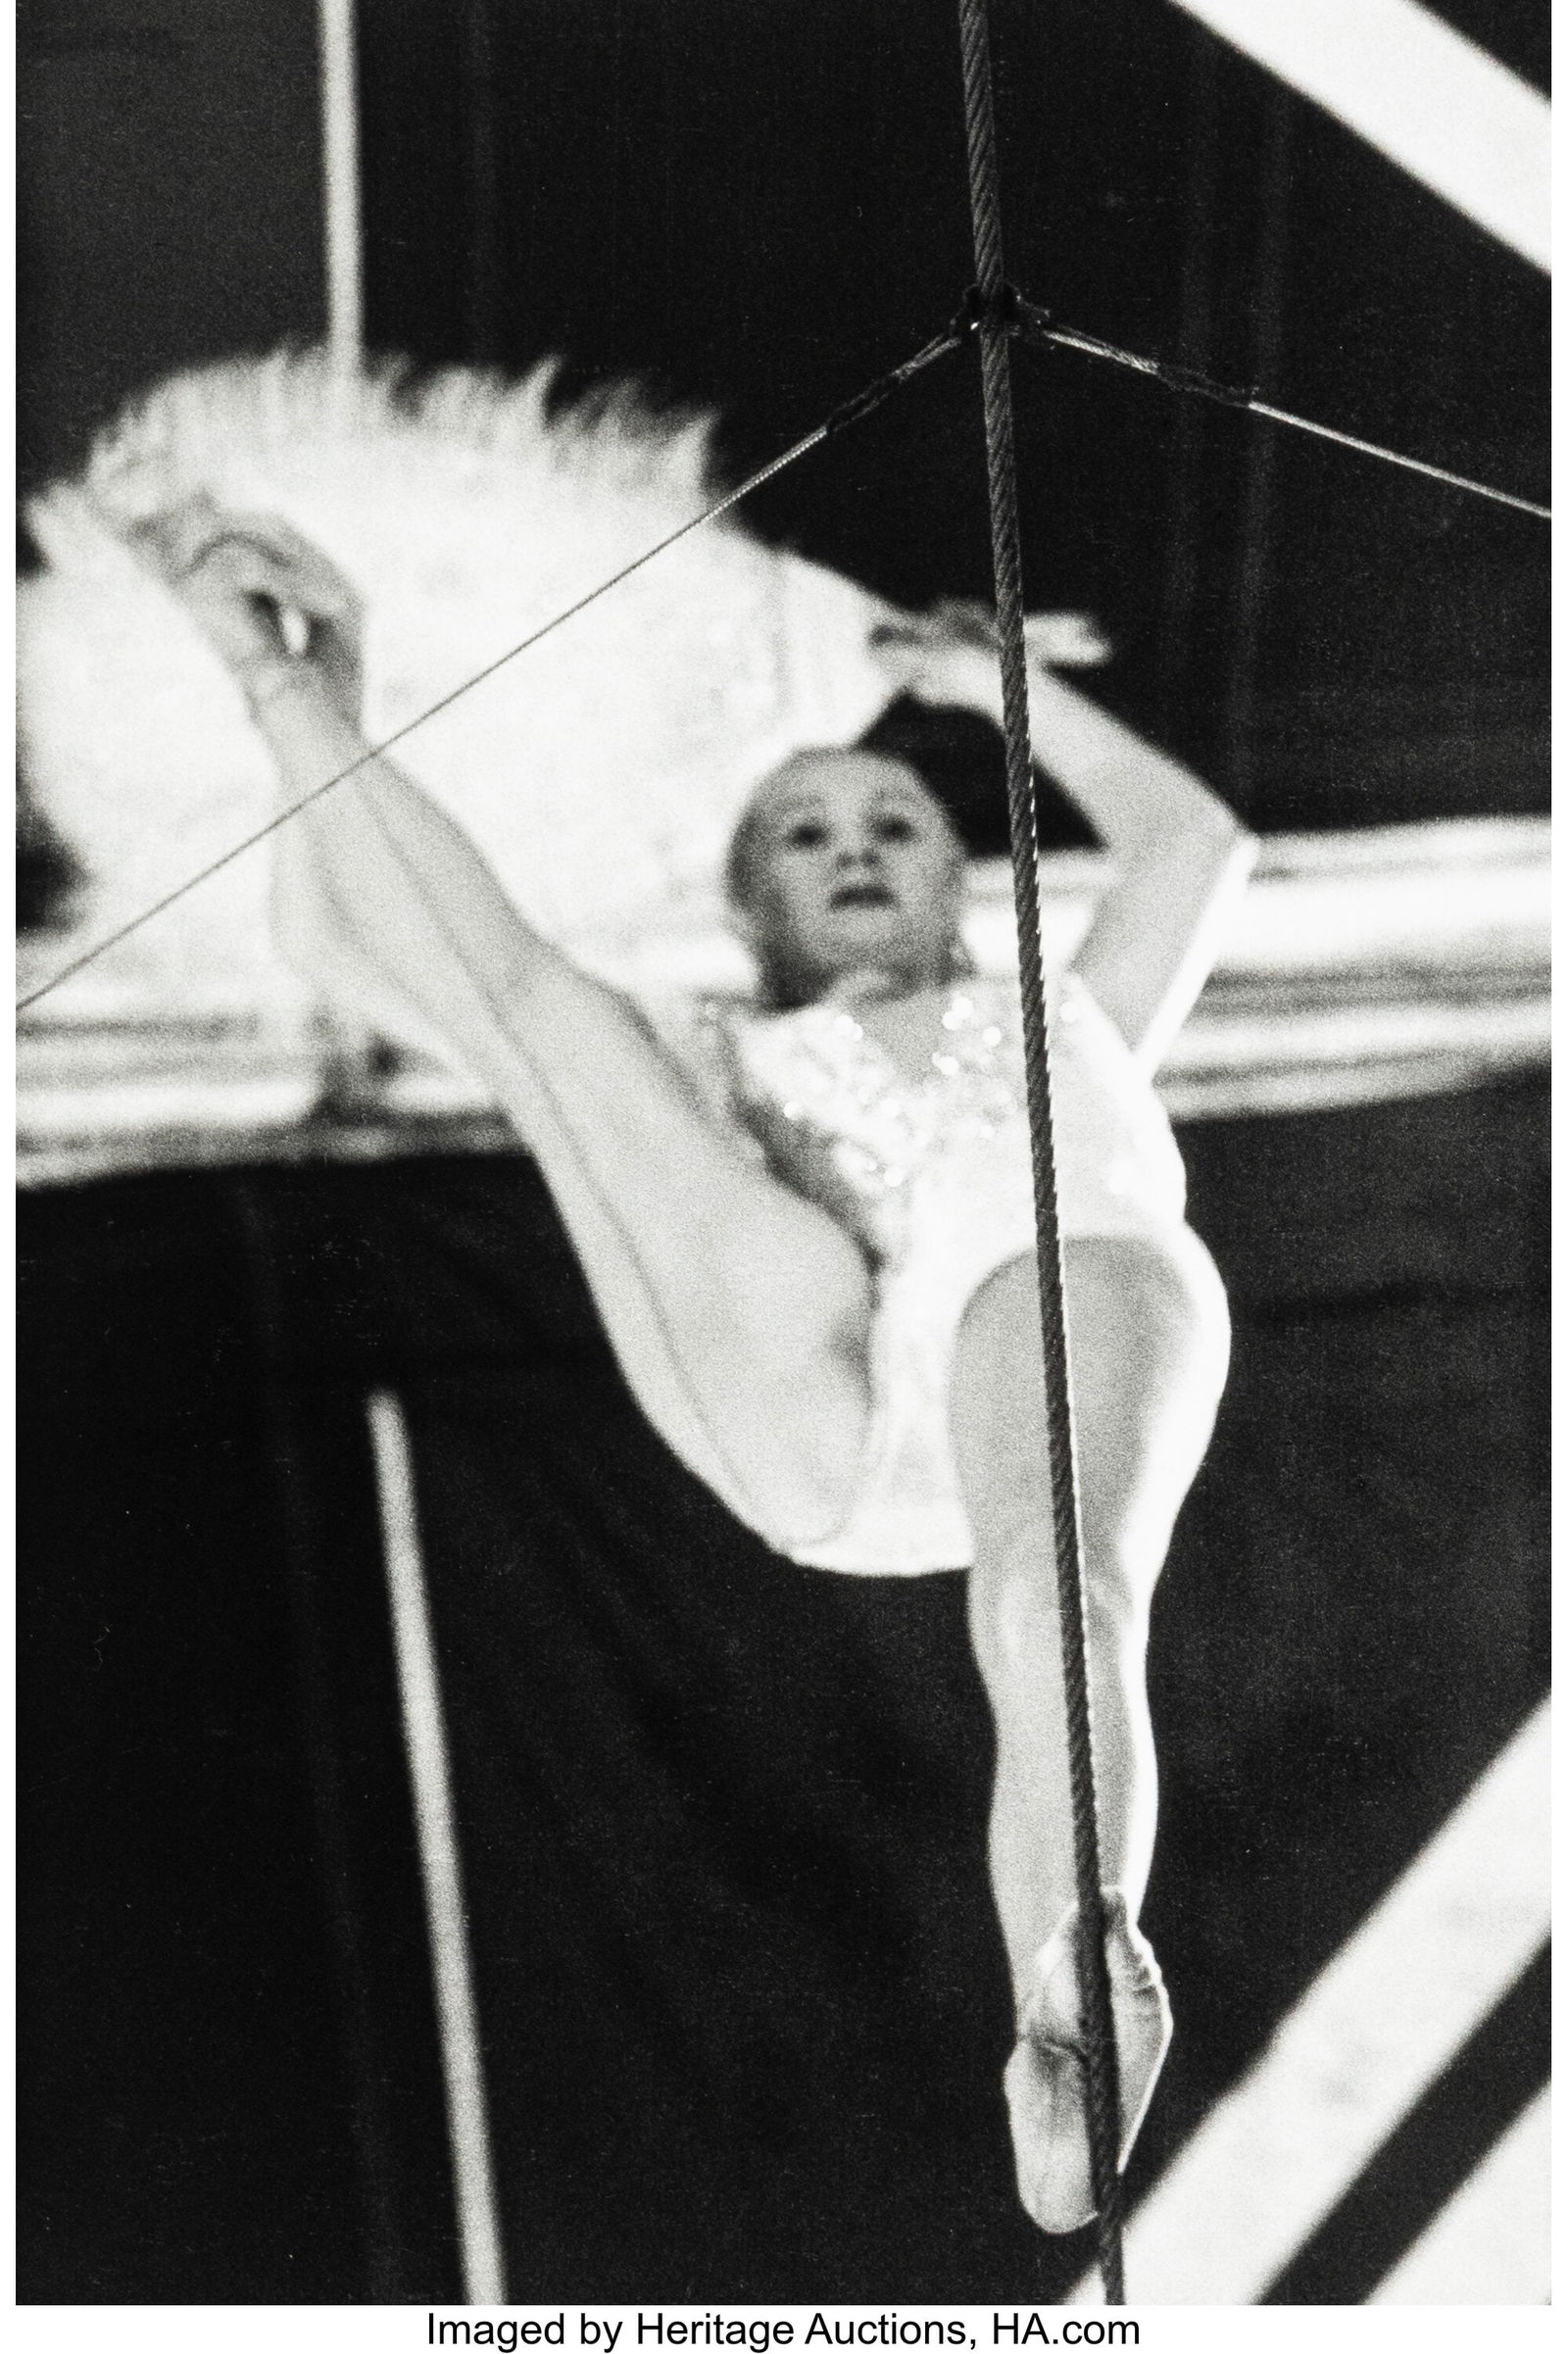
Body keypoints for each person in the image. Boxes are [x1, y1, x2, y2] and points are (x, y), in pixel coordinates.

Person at [130, 497, 1253, 2235]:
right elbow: (347, 943)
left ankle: (1074, 1960)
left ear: (963, 868)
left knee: (1061, 1567)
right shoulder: (713, 1062)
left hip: (1030, 1322)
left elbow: (1196, 842)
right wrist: (325, 701)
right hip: (805, 1406)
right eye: (805, 831)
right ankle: (264, 679)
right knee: (557, 1028)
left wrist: (990, 686)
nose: (859, 841)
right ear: (751, 897)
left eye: (895, 815)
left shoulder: (1071, 1006)